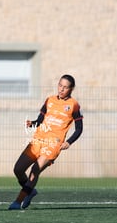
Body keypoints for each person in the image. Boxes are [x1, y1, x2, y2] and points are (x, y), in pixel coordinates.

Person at [8, 74, 83, 210]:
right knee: (18, 169)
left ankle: (18, 202)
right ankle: (30, 191)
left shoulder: (74, 105)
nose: (61, 89)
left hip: (53, 144)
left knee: (35, 169)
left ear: (71, 89)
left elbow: (79, 128)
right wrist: (33, 123)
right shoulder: (49, 100)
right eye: (60, 85)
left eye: (65, 87)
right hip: (37, 140)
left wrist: (69, 142)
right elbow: (40, 121)